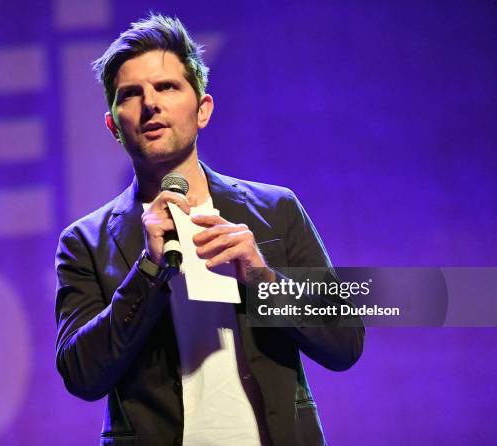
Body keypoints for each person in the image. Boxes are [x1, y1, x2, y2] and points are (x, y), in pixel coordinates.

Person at [55, 14, 364, 446]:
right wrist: (148, 271)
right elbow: (82, 374)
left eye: (167, 87)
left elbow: (344, 340)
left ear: (203, 110)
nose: (150, 104)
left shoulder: (275, 209)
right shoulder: (84, 242)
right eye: (131, 94)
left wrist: (263, 280)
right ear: (113, 126)